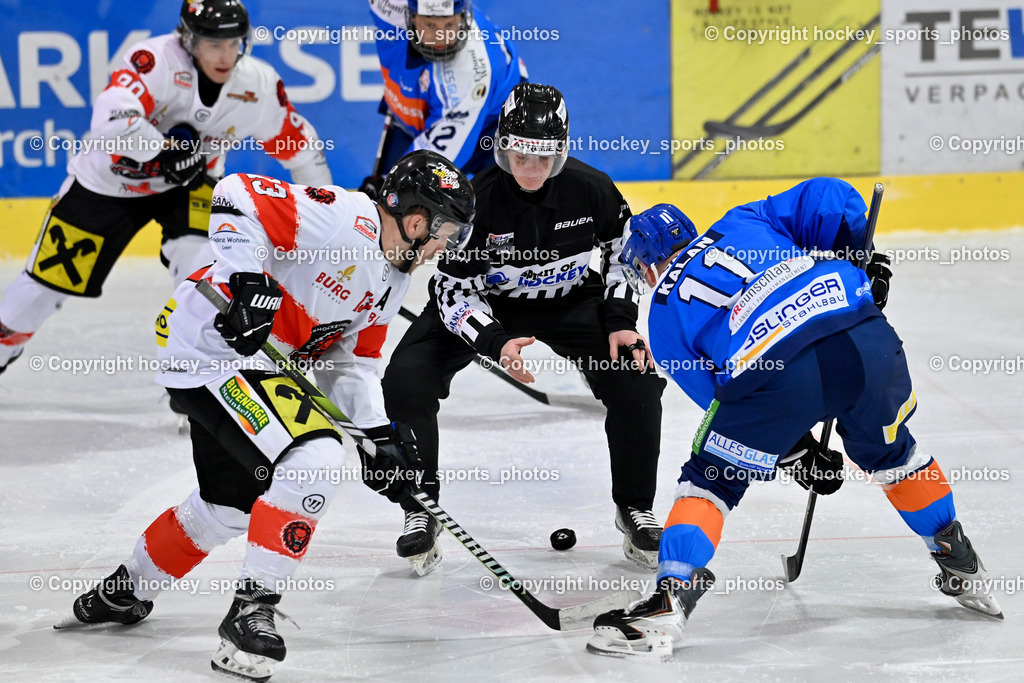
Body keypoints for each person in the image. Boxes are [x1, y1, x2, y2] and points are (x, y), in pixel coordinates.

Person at [54, 150, 476, 682]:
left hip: (244, 366)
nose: (445, 247)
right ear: (417, 220)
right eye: (446, 233)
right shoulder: (345, 217)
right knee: (316, 456)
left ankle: (126, 591)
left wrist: (377, 436)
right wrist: (247, 281)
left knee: (227, 507)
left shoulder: (392, 280)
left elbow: (352, 362)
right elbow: (235, 194)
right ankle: (250, 610)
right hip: (212, 347)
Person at [586, 180, 1003, 659]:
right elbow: (827, 197)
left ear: (647, 264)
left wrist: (798, 451)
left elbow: (722, 398)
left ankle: (668, 602)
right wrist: (857, 256)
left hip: (774, 368)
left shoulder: (661, 315)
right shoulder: (742, 220)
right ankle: (958, 558)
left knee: (711, 480)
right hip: (864, 335)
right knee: (894, 453)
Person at [381, 83, 667, 576]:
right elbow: (451, 292)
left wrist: (620, 322)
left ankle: (635, 506)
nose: (531, 169)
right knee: (406, 380)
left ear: (560, 154)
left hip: (573, 301)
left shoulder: (592, 188)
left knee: (636, 381)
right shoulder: (473, 201)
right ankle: (419, 507)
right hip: (490, 306)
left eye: (543, 158)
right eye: (520, 155)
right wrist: (493, 339)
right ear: (502, 148)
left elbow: (627, 257)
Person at [0, 0, 332, 377]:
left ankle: (194, 371)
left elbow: (300, 148)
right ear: (189, 41)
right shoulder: (153, 61)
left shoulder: (258, 86)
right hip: (109, 184)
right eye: (212, 44)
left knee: (206, 276)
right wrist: (163, 149)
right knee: (40, 291)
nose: (225, 55)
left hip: (192, 185)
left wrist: (327, 215)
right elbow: (110, 122)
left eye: (233, 43)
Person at [360, 0, 527, 196]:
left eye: (449, 25)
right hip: (413, 107)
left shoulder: (472, 72)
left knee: (412, 195)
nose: (441, 37)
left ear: (463, 18)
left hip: (487, 127)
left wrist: (392, 187)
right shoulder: (389, 6)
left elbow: (432, 160)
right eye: (430, 25)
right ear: (411, 17)